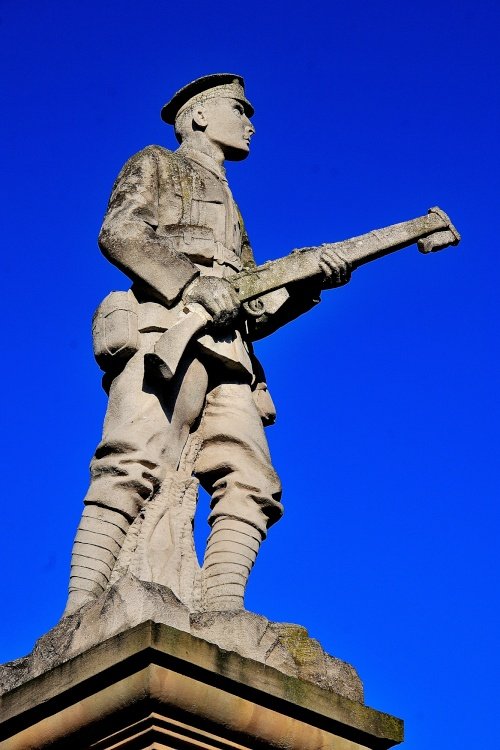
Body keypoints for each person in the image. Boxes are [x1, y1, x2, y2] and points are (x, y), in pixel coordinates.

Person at [64, 74, 350, 616]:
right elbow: (120, 231)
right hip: (163, 331)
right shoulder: (156, 163)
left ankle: (221, 613)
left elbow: (251, 309)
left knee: (253, 481)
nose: (250, 123)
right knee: (129, 462)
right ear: (199, 116)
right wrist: (192, 284)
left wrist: (309, 286)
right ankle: (80, 611)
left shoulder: (232, 205)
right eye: (239, 109)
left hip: (230, 355)